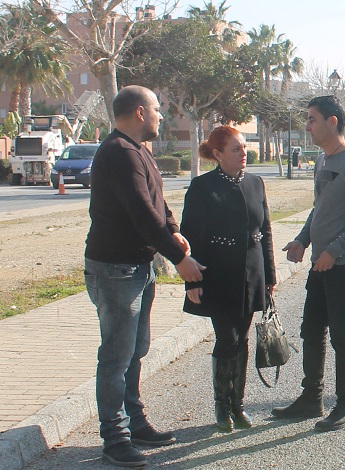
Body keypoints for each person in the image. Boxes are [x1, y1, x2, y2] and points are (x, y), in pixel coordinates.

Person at [84, 85, 205, 467]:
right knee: (116, 357)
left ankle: (134, 423)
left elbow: (157, 201)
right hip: (115, 270)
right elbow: (140, 213)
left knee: (135, 351)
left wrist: (173, 230)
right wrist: (179, 258)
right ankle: (115, 438)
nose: (160, 115)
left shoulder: (138, 150)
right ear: (139, 112)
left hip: (138, 267)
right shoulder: (119, 152)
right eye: (156, 109)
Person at [274, 95, 345, 432]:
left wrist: (334, 250)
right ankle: (311, 398)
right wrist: (302, 240)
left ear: (332, 122)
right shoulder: (321, 160)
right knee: (312, 331)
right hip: (320, 264)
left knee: (342, 337)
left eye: (312, 119)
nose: (307, 126)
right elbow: (319, 209)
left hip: (343, 265)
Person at [180, 125, 276, 433]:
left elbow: (266, 232)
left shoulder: (255, 183)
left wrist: (270, 275)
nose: (243, 154)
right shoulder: (202, 187)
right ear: (218, 154)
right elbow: (190, 236)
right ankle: (222, 405)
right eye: (236, 149)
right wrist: (192, 282)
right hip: (218, 275)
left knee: (243, 338)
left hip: (252, 273)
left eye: (244, 148)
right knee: (228, 338)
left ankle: (238, 404)